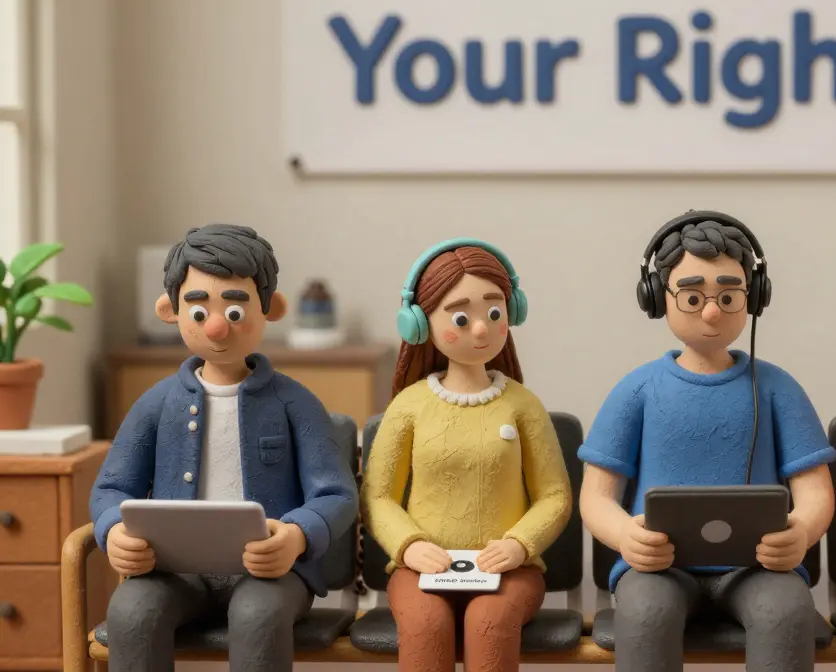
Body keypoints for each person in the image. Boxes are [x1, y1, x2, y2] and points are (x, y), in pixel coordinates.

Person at [89, 224, 359, 672]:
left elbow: (336, 494)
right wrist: (113, 529)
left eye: (235, 310)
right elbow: (112, 487)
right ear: (169, 311)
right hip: (174, 571)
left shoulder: (296, 402)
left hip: (271, 573)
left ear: (271, 309)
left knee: (258, 616)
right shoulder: (156, 405)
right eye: (198, 311)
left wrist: (295, 536)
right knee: (133, 612)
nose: (216, 325)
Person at [578, 211, 836, 672]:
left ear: (754, 297)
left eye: (729, 295)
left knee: (786, 612)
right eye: (694, 296)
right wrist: (624, 535)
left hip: (759, 567)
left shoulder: (777, 389)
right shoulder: (637, 390)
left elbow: (815, 491)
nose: (713, 311)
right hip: (658, 567)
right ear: (658, 297)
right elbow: (597, 497)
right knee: (645, 613)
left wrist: (800, 531)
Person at [361, 239, 572, 672]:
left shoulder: (522, 405)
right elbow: (378, 496)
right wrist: (409, 545)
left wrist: (519, 544)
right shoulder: (409, 406)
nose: (480, 329)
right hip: (422, 572)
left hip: (510, 573)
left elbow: (555, 495)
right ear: (419, 324)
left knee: (488, 623)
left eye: (493, 313)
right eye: (462, 316)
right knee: (424, 623)